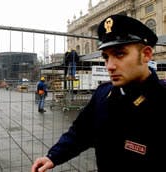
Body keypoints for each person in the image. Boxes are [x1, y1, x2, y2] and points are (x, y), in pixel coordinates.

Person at [31, 14, 166, 172]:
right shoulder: (103, 94)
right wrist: (53, 156)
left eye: (119, 54)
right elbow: (81, 132)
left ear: (146, 54)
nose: (109, 66)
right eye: (106, 57)